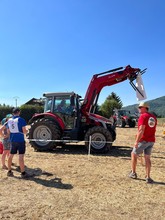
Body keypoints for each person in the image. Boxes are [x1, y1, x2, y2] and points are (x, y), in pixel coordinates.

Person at [129, 102, 157, 183]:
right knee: (147, 158)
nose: (139, 108)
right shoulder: (153, 117)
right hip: (151, 140)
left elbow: (141, 130)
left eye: (140, 107)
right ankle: (148, 177)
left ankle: (133, 173)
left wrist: (136, 142)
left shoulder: (143, 116)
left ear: (145, 108)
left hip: (143, 140)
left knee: (133, 154)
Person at [6, 108, 28, 178]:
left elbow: (8, 131)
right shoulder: (21, 119)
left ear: (13, 113)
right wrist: (26, 131)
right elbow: (24, 131)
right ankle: (23, 173)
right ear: (18, 112)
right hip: (20, 140)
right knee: (21, 156)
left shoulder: (9, 120)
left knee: (11, 155)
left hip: (12, 140)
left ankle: (9, 171)